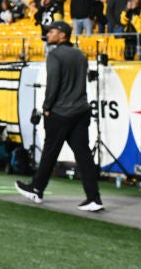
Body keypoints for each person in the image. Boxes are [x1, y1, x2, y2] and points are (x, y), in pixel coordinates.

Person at [15, 20, 104, 212]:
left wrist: (47, 107)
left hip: (60, 112)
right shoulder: (80, 55)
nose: (49, 34)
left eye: (52, 31)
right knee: (83, 155)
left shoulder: (55, 55)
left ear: (62, 35)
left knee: (50, 152)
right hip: (80, 111)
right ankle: (94, 197)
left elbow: (53, 83)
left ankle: (37, 189)